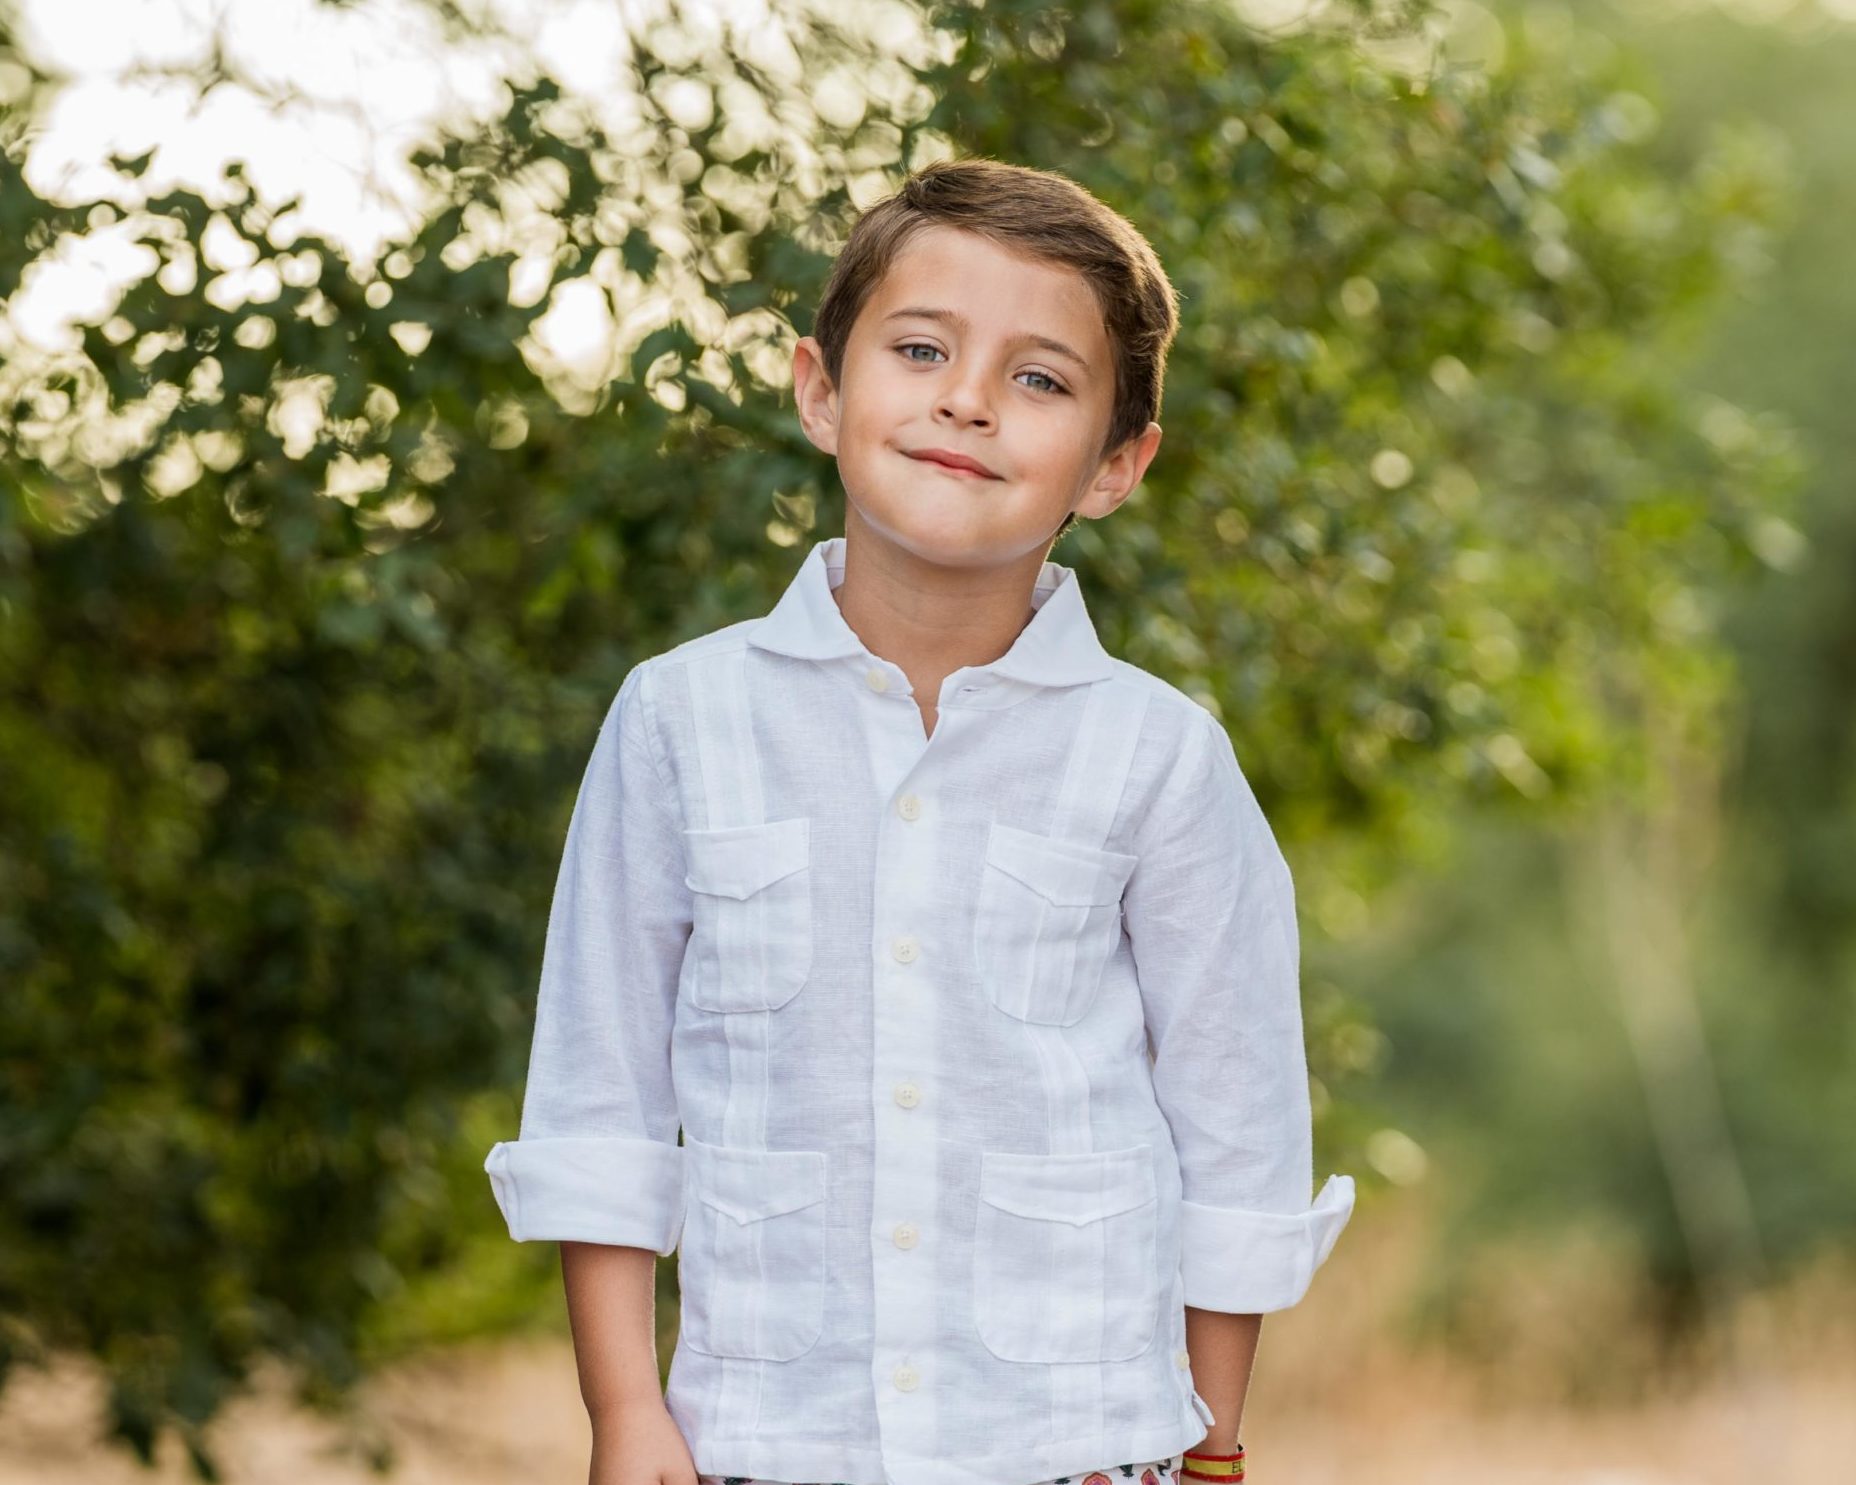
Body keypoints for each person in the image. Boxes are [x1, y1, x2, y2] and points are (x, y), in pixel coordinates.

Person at [483, 156, 1356, 1485]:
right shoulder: (680, 720)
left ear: (1116, 466)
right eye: (923, 348)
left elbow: (1235, 1130)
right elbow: (601, 1099)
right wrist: (627, 1413)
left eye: (1040, 378)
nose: (967, 398)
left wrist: (1211, 1451)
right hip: (760, 1442)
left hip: (1083, 1444)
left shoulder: (1160, 759)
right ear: (821, 390)